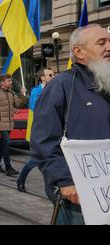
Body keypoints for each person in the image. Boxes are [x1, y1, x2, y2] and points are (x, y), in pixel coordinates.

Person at [31, 24, 110, 225]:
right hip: (80, 198)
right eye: (102, 42)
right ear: (79, 52)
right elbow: (43, 141)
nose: (109, 47)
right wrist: (64, 181)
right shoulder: (60, 87)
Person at [16, 68, 55, 192]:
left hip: (52, 129)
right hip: (40, 131)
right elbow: (34, 108)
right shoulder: (36, 91)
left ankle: (54, 184)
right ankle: (21, 179)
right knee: (35, 160)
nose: (53, 76)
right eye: (50, 75)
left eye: (53, 74)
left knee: (53, 158)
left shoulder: (54, 89)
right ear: (42, 78)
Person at [0, 74, 22, 176]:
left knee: (2, 143)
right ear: (2, 82)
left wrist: (22, 95)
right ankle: (8, 167)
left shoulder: (12, 93)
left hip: (9, 122)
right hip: (0, 123)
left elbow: (18, 104)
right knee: (6, 143)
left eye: (11, 81)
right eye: (8, 81)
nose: (10, 83)